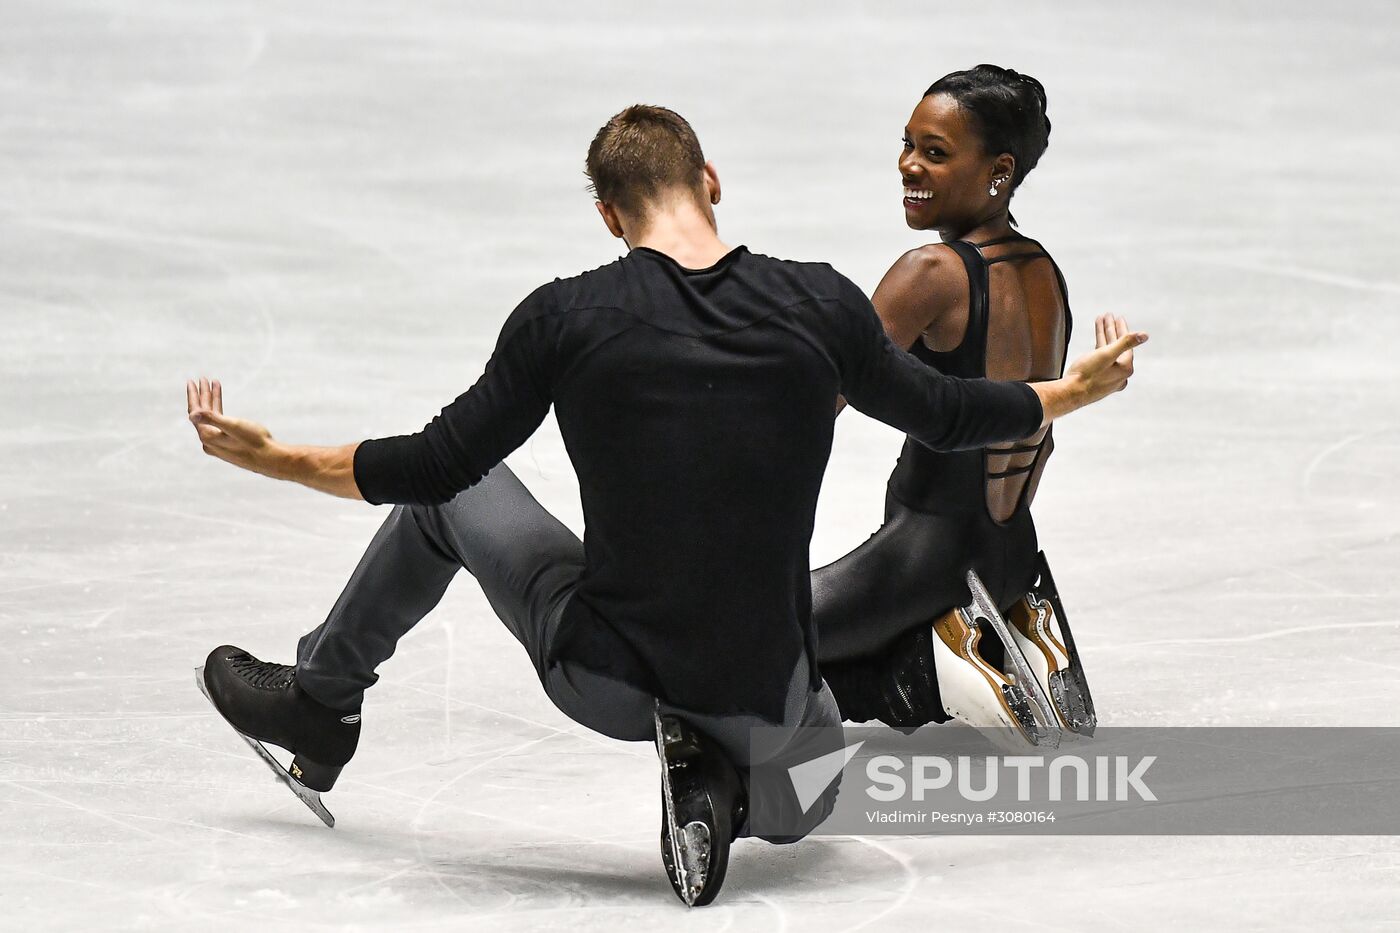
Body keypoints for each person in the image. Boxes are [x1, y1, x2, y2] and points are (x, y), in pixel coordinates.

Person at [185, 104, 1144, 906]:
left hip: (605, 676)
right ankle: (723, 782)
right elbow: (949, 413)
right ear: (713, 180)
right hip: (769, 689)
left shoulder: (564, 317)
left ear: (608, 217)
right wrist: (1072, 392)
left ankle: (320, 705)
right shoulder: (821, 305)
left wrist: (275, 457)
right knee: (810, 800)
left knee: (460, 490)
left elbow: (430, 463)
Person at [813, 65, 1111, 731]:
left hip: (927, 557)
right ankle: (1017, 619)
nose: (908, 165)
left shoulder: (930, 275)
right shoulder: (1043, 271)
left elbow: (817, 403)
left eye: (936, 153)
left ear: (998, 170)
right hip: (1010, 550)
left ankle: (932, 673)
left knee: (741, 643)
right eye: (908, 144)